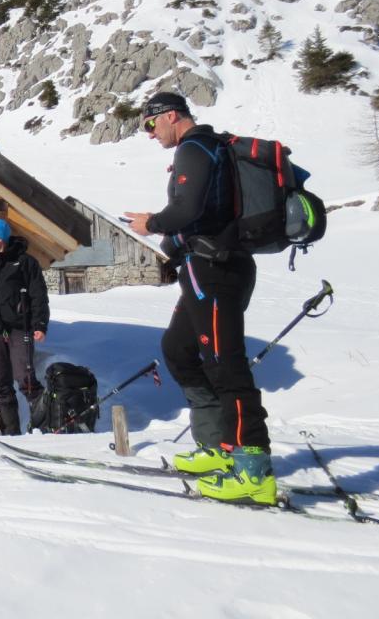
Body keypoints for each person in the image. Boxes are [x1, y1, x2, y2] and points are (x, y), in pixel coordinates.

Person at [124, 91, 274, 504]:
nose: (150, 134)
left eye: (150, 124)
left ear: (170, 116)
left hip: (216, 270)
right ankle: (218, 446)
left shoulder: (196, 147)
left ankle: (253, 467)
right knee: (179, 349)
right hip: (208, 267)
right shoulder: (209, 149)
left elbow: (186, 210)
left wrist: (150, 222)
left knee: (228, 365)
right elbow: (202, 215)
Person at [0, 218, 49, 436]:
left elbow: (39, 296)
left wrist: (40, 324)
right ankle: (11, 434)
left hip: (19, 327)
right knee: (1, 383)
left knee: (26, 379)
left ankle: (46, 428)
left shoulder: (25, 263)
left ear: (0, 237)